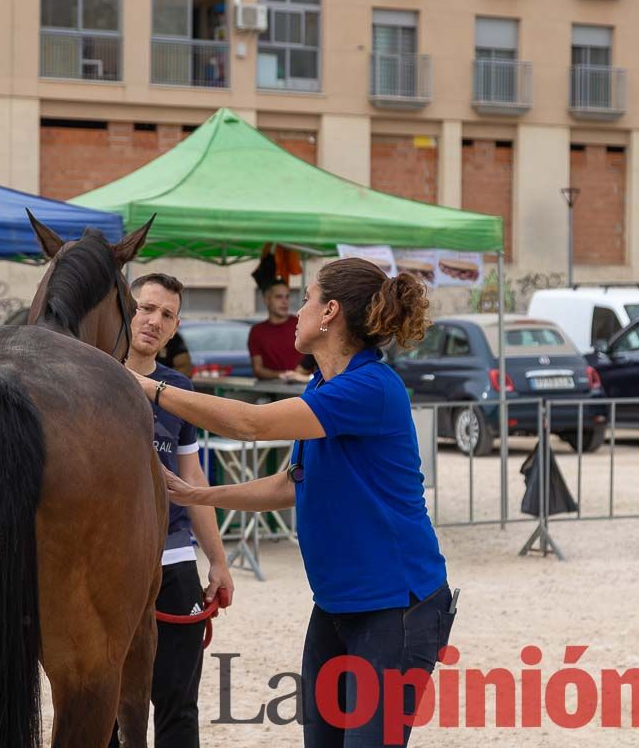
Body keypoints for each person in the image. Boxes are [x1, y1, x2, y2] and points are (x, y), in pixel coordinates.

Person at [132, 258, 455, 748]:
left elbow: (250, 424)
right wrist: (198, 494)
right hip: (336, 604)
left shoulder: (371, 387)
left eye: (305, 298)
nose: (297, 309)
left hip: (398, 609)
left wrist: (147, 387)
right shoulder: (323, 384)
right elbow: (292, 482)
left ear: (329, 312)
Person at [111, 272, 234, 748]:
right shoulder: (91, 373)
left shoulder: (178, 389)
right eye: (146, 308)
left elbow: (194, 482)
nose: (154, 321)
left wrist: (219, 561)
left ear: (176, 325)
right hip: (107, 562)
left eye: (166, 315)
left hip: (173, 560)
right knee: (103, 700)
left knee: (177, 702)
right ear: (127, 308)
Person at [249, 280, 309, 382]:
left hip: (304, 386)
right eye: (278, 297)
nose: (284, 301)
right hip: (273, 390)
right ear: (266, 300)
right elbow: (258, 369)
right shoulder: (257, 331)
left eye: (287, 297)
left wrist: (298, 375)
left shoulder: (301, 323)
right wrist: (285, 375)